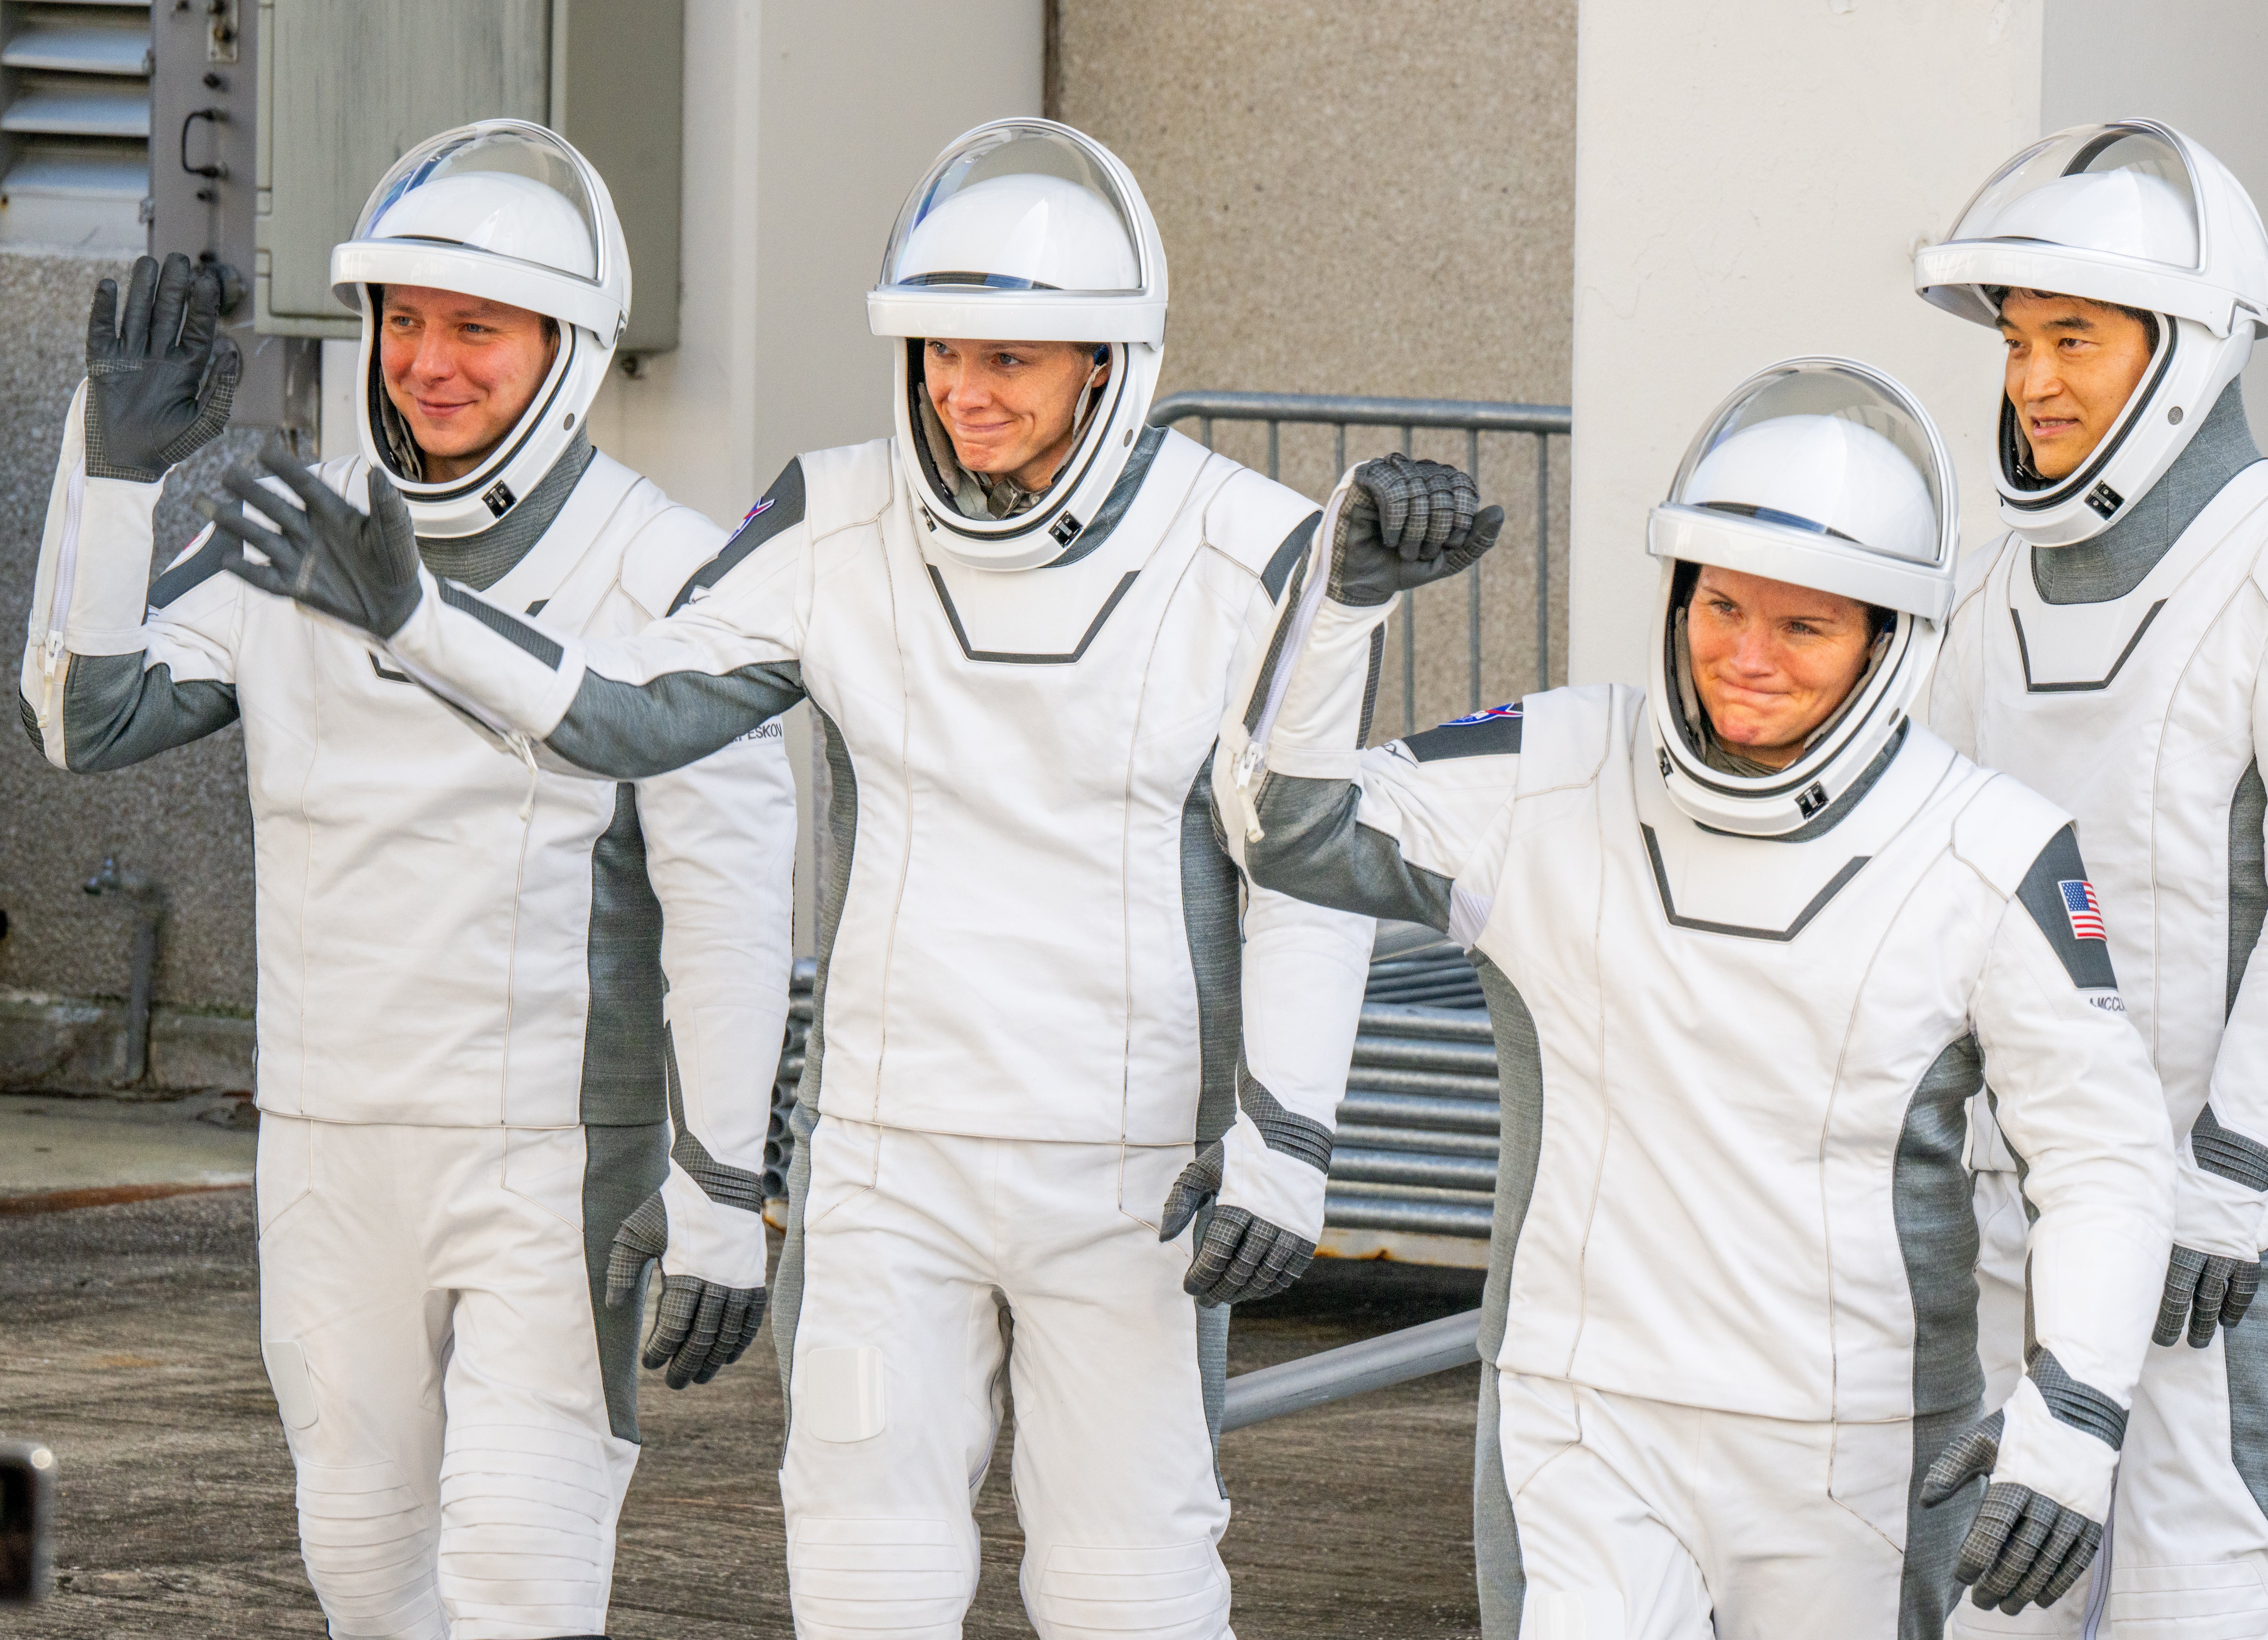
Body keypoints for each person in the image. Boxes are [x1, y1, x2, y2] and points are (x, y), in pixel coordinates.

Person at [200, 116, 1384, 1640]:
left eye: (1011, 360)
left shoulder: (1258, 549)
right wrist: (424, 617)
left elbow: (1307, 858)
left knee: (1128, 1585)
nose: (964, 393)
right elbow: (633, 717)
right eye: (941, 352)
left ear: (1106, 360)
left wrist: (1285, 1139)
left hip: (1132, 1171)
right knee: (864, 1578)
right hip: (887, 1167)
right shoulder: (832, 518)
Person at [1215, 358, 2177, 1639]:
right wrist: (1342, 605)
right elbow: (1288, 834)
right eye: (1721, 607)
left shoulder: (1995, 850)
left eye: (1804, 627)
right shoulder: (1553, 766)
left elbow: (2105, 1154)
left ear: (1890, 642)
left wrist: (2076, 1419)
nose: (1747, 658)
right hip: (1585, 1418)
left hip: (1858, 1441)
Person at [18, 119, 795, 1640]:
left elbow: (731, 905)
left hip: (555, 1160)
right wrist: (106, 476)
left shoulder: (671, 571)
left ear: (569, 348)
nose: (430, 364)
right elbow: (79, 719)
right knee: (367, 1574)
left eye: (477, 330)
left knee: (518, 1570)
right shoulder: (285, 535)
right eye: (407, 323)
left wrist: (721, 1196)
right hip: (328, 1149)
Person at [1918, 119, 2268, 1638]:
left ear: (2190, 347)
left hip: (2230, 1205)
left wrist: (2234, 1169)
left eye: (2073, 338)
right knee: (2003, 1597)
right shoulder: (1988, 592)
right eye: (2016, 342)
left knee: (2203, 1588)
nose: (2033, 382)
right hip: (2033, 1185)